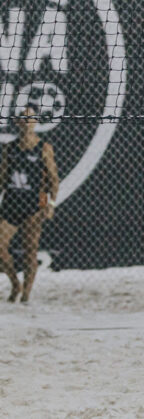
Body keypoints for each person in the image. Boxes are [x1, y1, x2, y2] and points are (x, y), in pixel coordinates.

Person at [0, 106, 59, 304]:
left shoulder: (43, 148)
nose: (27, 122)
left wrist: (49, 204)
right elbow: (3, 177)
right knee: (0, 246)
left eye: (30, 118)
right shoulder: (10, 148)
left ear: (36, 122)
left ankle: (26, 292)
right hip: (11, 203)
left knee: (30, 250)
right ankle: (15, 283)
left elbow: (52, 181)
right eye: (23, 119)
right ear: (17, 122)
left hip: (33, 204)